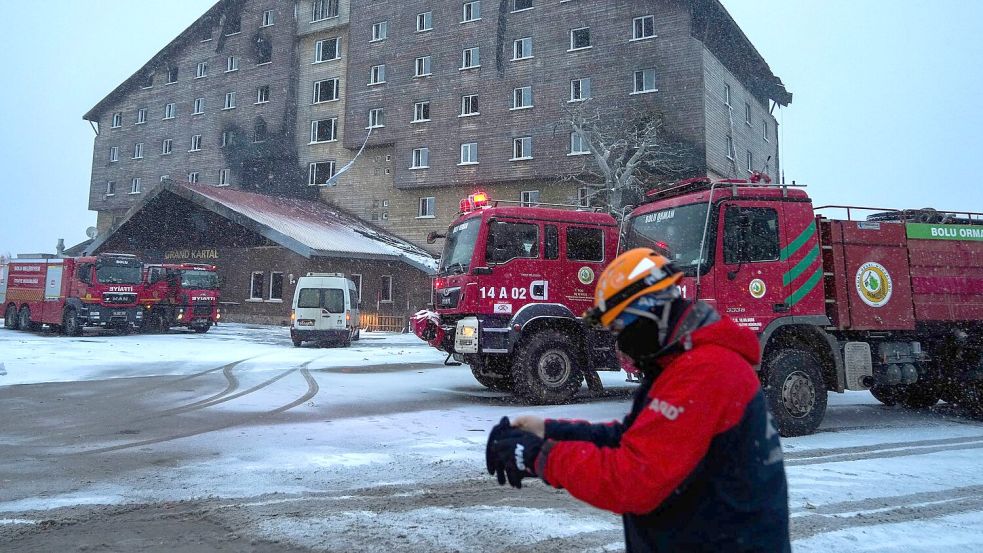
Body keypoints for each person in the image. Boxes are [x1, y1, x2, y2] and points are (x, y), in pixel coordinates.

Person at [486, 248, 790, 552]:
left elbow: (633, 480)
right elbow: (632, 438)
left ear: (648, 312)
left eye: (620, 327)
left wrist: (541, 456)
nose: (620, 341)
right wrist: (549, 431)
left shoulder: (705, 371)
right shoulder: (676, 365)